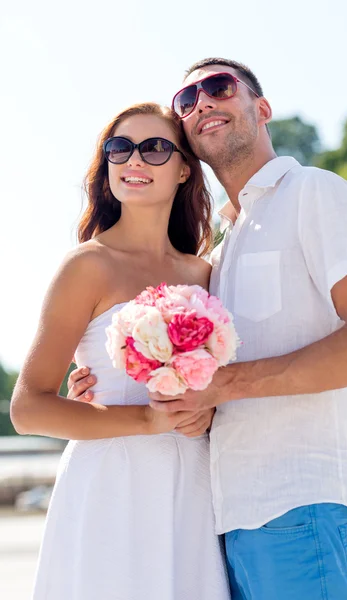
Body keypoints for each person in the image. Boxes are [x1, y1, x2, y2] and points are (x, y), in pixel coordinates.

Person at [70, 58, 347, 600]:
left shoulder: (314, 192)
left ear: (261, 108)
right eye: (186, 99)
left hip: (305, 505)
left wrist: (225, 385)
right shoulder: (219, 255)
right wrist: (105, 382)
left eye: (219, 87)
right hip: (226, 520)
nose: (202, 102)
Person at [10, 102, 231, 600]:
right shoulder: (87, 266)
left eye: (154, 148)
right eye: (119, 148)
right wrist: (147, 421)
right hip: (108, 483)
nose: (133, 160)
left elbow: (223, 383)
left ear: (183, 169)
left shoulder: (205, 275)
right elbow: (28, 408)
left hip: (192, 485)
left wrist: (210, 412)